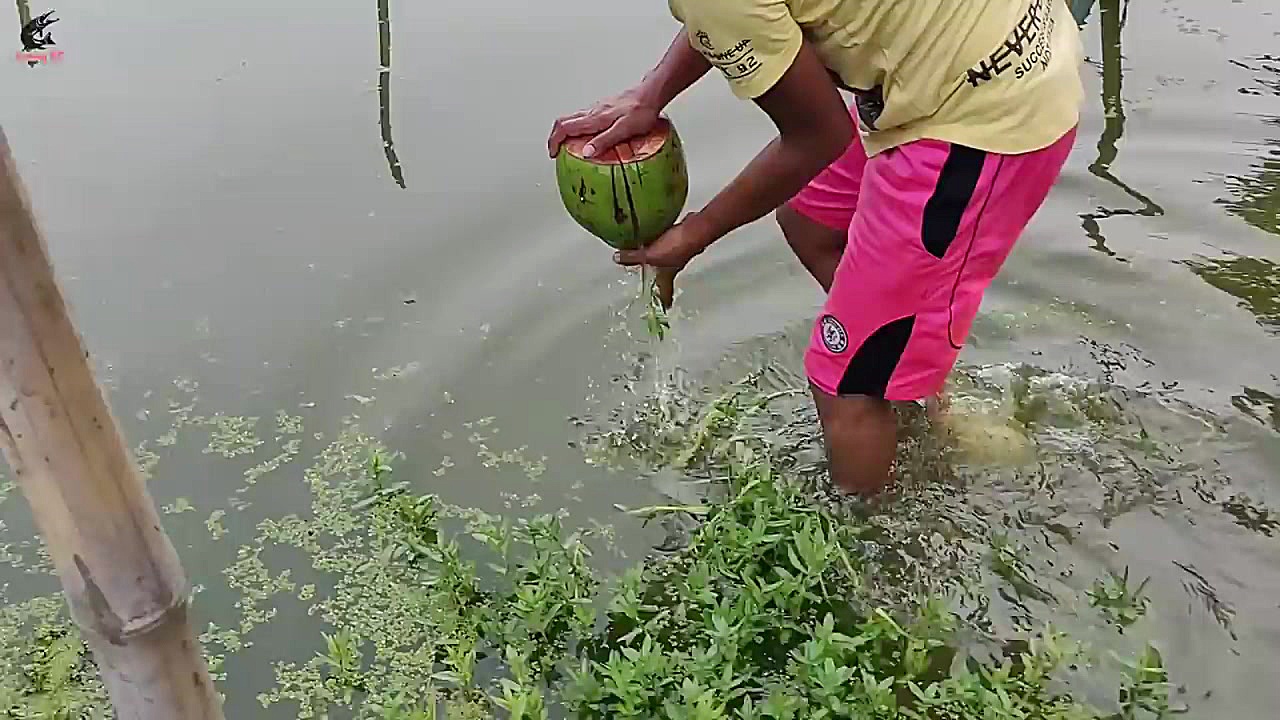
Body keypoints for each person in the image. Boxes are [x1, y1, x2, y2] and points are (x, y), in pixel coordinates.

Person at [548, 0, 1083, 496]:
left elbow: (818, 136)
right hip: (971, 52)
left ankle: (879, 563)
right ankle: (911, 375)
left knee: (842, 385)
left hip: (985, 110)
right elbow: (736, 15)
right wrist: (652, 94)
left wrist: (693, 236)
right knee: (812, 219)